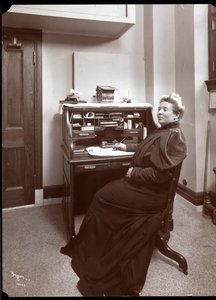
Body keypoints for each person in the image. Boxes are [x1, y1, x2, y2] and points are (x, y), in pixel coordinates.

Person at [60, 93, 187, 296]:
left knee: (101, 196)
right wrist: (126, 146)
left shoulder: (174, 138)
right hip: (142, 187)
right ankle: (97, 245)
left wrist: (133, 172)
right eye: (159, 108)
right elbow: (149, 149)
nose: (160, 112)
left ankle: (96, 249)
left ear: (176, 115)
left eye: (165, 109)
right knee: (104, 193)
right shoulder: (164, 132)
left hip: (151, 195)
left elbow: (159, 175)